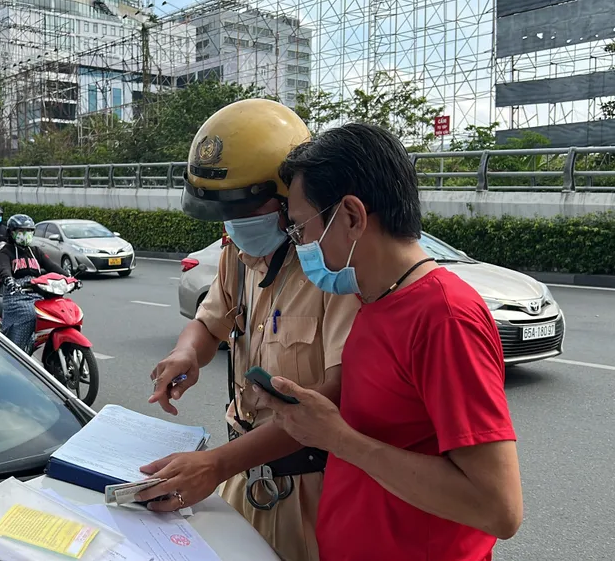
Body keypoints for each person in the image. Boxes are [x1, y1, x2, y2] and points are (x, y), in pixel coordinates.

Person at [252, 123, 523, 561]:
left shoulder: (443, 316)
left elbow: (498, 508)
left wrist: (339, 439)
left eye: (301, 229)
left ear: (353, 217)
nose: (299, 245)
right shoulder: (373, 300)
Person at [138, 98, 360, 561]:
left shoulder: (332, 271)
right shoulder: (238, 258)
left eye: (245, 208)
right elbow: (208, 323)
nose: (234, 225)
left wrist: (217, 465)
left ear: (288, 196)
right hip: (243, 477)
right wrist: (186, 354)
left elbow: (334, 395)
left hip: (311, 490)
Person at [0, 214, 67, 351]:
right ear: (11, 233)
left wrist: (68, 276)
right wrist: (9, 280)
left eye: (29, 231)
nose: (25, 234)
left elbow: (51, 266)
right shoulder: (6, 251)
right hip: (16, 294)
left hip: (37, 291)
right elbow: (4, 269)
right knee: (31, 313)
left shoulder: (35, 251)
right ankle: (17, 350)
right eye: (21, 231)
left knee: (55, 312)